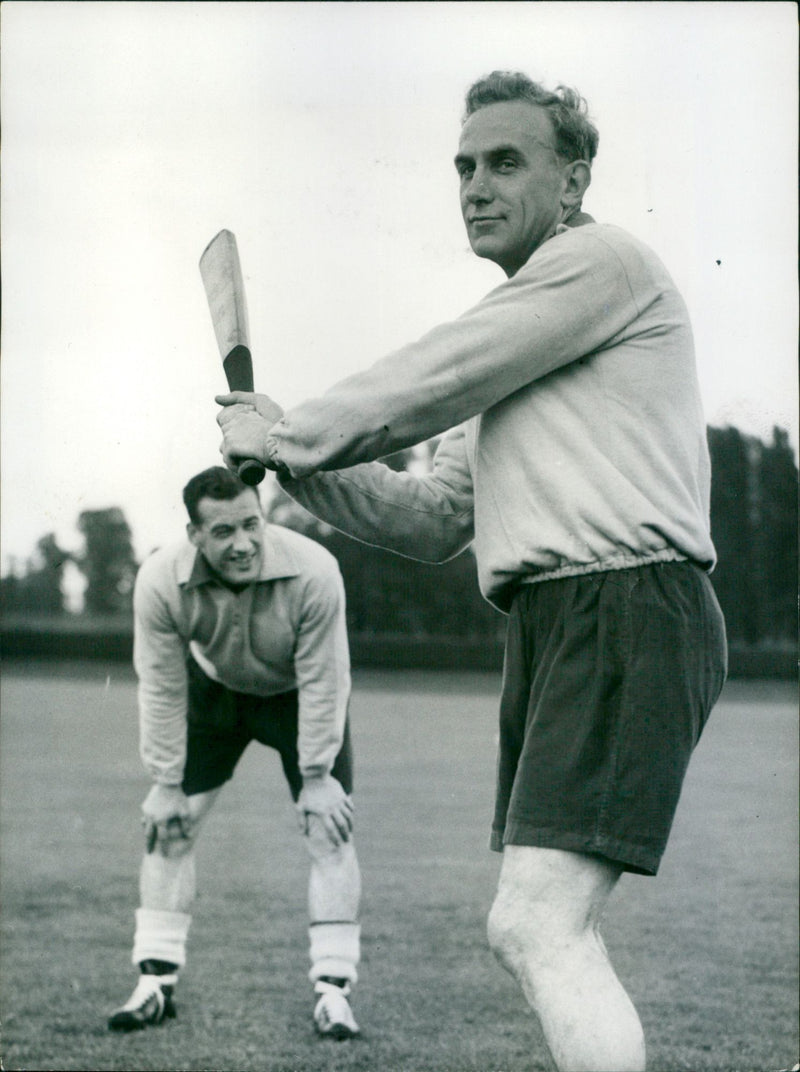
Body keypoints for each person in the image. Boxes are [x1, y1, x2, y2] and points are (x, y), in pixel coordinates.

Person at [215, 71, 728, 1071]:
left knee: (539, 926)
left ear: (573, 181)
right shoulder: (517, 341)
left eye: (504, 162)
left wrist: (286, 434)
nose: (475, 186)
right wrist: (290, 460)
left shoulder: (598, 265)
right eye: (462, 167)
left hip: (625, 603)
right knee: (533, 926)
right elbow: (432, 518)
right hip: (554, 619)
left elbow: (436, 372)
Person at [108, 466, 362, 1040]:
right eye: (223, 531)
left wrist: (318, 776)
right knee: (171, 827)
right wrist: (165, 782)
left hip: (296, 697)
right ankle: (154, 985)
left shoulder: (315, 569)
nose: (243, 543)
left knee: (329, 829)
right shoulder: (160, 579)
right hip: (213, 693)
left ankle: (333, 993)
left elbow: (326, 677)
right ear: (195, 534)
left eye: (251, 524)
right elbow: (161, 686)